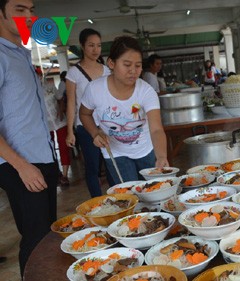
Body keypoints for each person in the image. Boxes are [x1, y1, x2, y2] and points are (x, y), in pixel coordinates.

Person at [0, 0, 58, 276]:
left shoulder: (21, 53)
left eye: (31, 10)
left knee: (48, 236)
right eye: (19, 10)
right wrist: (21, 166)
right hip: (19, 163)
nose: (30, 16)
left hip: (41, 156)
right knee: (36, 240)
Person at [79, 36, 169, 183]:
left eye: (138, 65)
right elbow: (84, 114)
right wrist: (95, 133)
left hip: (145, 150)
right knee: (131, 195)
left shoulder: (146, 91)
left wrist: (161, 156)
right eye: (127, 65)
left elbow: (156, 129)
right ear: (111, 63)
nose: (133, 71)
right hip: (115, 153)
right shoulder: (95, 89)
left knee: (153, 192)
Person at [65, 28, 112, 197]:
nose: (95, 50)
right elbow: (71, 103)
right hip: (84, 127)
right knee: (92, 167)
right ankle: (98, 203)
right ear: (82, 46)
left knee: (111, 164)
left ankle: (119, 200)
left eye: (98, 45)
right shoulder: (73, 73)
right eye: (91, 45)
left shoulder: (107, 71)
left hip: (107, 124)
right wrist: (70, 131)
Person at [39, 69, 71, 186]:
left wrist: (61, 110)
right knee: (50, 149)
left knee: (64, 147)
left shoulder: (50, 86)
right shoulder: (31, 91)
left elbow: (60, 98)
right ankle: (56, 172)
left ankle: (65, 175)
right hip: (46, 125)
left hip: (60, 121)